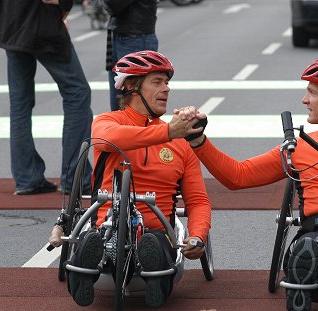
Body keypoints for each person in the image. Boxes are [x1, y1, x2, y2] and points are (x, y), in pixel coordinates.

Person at [175, 56, 318, 310]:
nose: (305, 100)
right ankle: (308, 272)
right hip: (315, 234)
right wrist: (199, 141)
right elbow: (238, 176)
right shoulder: (299, 146)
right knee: (307, 248)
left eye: (312, 92)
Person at [65, 50, 211, 308]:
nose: (166, 89)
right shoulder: (107, 121)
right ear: (131, 86)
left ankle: (153, 275)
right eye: (157, 82)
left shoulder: (181, 142)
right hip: (108, 226)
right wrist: (167, 131)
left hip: (156, 231)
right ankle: (88, 263)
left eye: (167, 82)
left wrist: (197, 236)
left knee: (153, 242)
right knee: (94, 239)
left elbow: (198, 200)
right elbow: (110, 139)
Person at [0, 0, 93, 195]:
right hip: (40, 21)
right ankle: (75, 178)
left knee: (20, 102)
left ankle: (27, 178)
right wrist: (64, 7)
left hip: (12, 21)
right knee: (78, 93)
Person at [103, 0, 159, 111]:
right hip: (130, 33)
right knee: (122, 106)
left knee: (131, 106)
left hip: (134, 36)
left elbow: (114, 4)